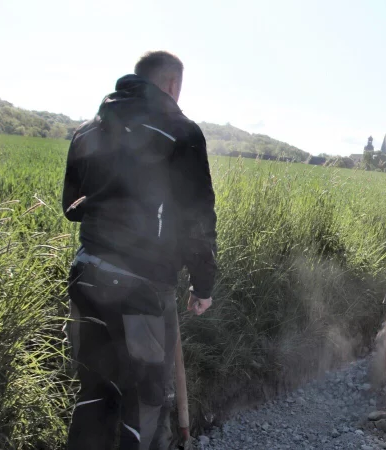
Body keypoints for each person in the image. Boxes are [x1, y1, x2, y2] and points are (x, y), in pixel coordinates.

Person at [61, 51, 217, 450]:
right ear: (170, 85)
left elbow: (71, 208)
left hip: (86, 274)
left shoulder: (87, 130)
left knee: (94, 392)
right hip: (142, 286)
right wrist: (202, 287)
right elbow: (196, 218)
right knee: (145, 402)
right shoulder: (182, 132)